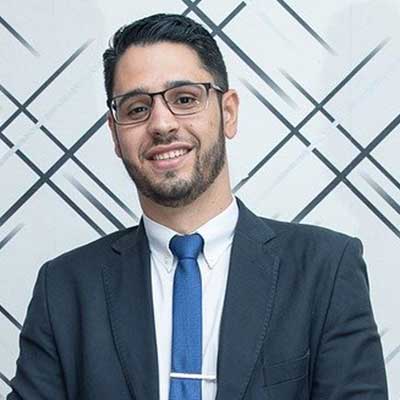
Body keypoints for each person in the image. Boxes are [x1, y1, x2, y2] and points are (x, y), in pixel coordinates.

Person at [8, 13, 388, 400]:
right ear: (115, 134)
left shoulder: (325, 268)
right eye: (137, 108)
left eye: (185, 99)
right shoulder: (64, 289)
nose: (162, 124)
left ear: (228, 112)